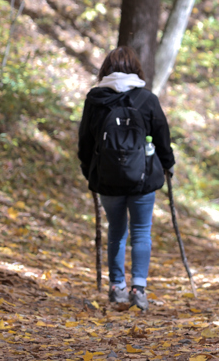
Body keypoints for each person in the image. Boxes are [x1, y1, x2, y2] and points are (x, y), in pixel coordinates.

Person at [77, 46, 175, 311]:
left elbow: (85, 141)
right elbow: (163, 138)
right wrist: (168, 165)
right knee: (141, 232)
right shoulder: (147, 99)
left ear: (106, 69)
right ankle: (139, 288)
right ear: (136, 68)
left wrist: (89, 171)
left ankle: (117, 287)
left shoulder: (95, 99)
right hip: (143, 179)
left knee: (116, 231)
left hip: (107, 180)